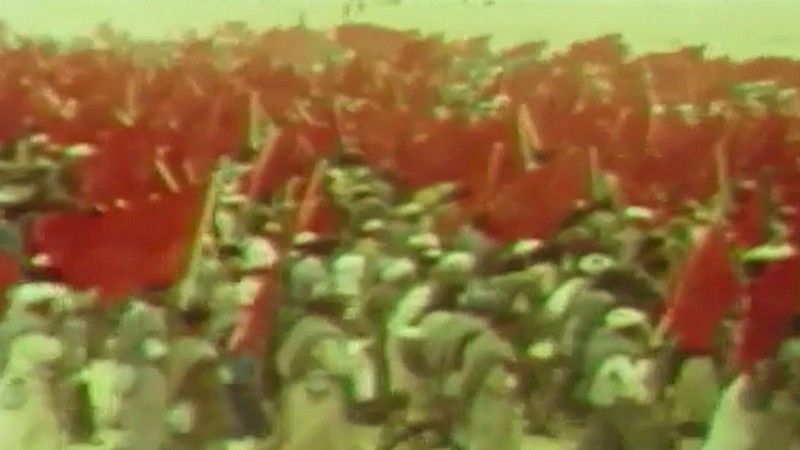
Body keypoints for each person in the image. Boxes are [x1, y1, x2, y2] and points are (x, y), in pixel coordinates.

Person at [274, 280, 358, 450]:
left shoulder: (302, 327)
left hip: (295, 391)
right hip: (319, 394)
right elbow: (340, 367)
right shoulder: (326, 334)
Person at [575, 307, 675, 450]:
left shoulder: (601, 346)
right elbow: (632, 385)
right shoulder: (625, 354)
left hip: (603, 402)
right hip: (626, 404)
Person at [168, 306, 234, 450]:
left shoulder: (172, 348)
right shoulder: (204, 352)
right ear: (203, 325)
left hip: (173, 409)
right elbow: (210, 388)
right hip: (199, 414)